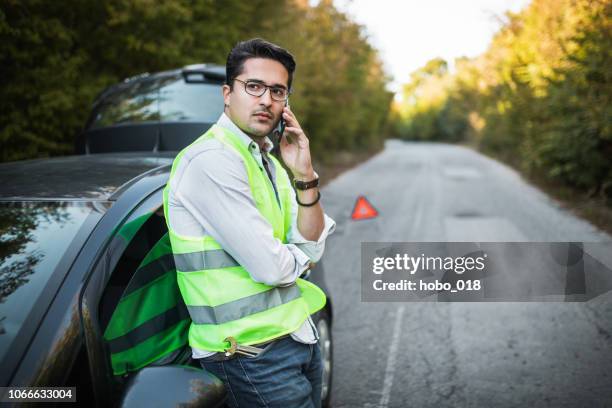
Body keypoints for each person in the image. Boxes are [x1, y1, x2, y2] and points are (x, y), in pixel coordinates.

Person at [163, 38, 336, 407]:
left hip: (296, 338)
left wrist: (304, 172)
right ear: (228, 94)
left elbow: (312, 239)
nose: (266, 100)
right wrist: (300, 253)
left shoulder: (270, 163)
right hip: (248, 356)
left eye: (278, 91)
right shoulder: (210, 160)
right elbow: (274, 266)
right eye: (253, 86)